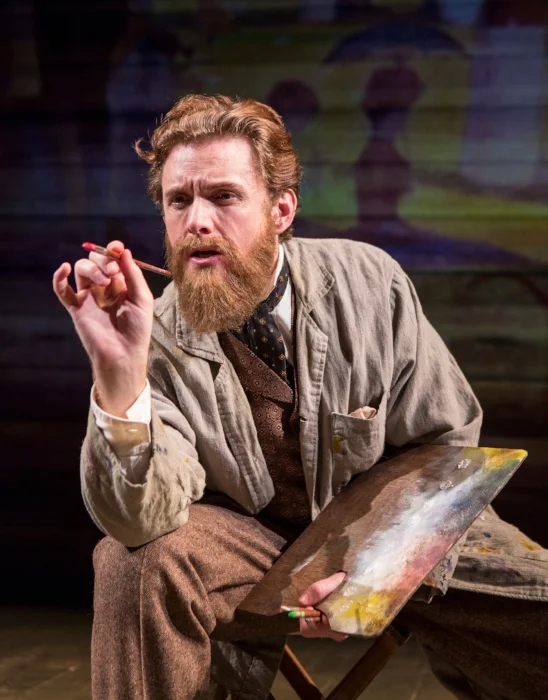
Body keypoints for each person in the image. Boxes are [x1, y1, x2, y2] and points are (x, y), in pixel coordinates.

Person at [53, 94, 548, 700]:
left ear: (281, 209)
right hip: (247, 546)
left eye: (224, 196)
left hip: (391, 531)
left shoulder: (370, 282)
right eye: (179, 201)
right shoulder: (151, 335)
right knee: (131, 561)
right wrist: (119, 370)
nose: (197, 221)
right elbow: (139, 521)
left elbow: (445, 449)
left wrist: (368, 569)